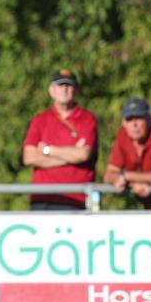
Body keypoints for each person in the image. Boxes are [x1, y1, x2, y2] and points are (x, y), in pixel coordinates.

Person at [22, 70, 98, 210]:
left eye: (69, 85)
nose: (64, 89)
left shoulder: (87, 119)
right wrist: (70, 156)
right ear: (51, 90)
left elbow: (83, 154)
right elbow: (29, 157)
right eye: (60, 85)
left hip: (77, 199)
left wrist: (47, 150)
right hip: (43, 199)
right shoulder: (39, 120)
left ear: (76, 90)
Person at [103, 97, 151, 209]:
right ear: (123, 123)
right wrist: (131, 183)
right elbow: (108, 175)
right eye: (129, 119)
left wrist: (126, 177)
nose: (134, 124)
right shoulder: (123, 136)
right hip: (149, 208)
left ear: (150, 119)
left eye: (139, 118)